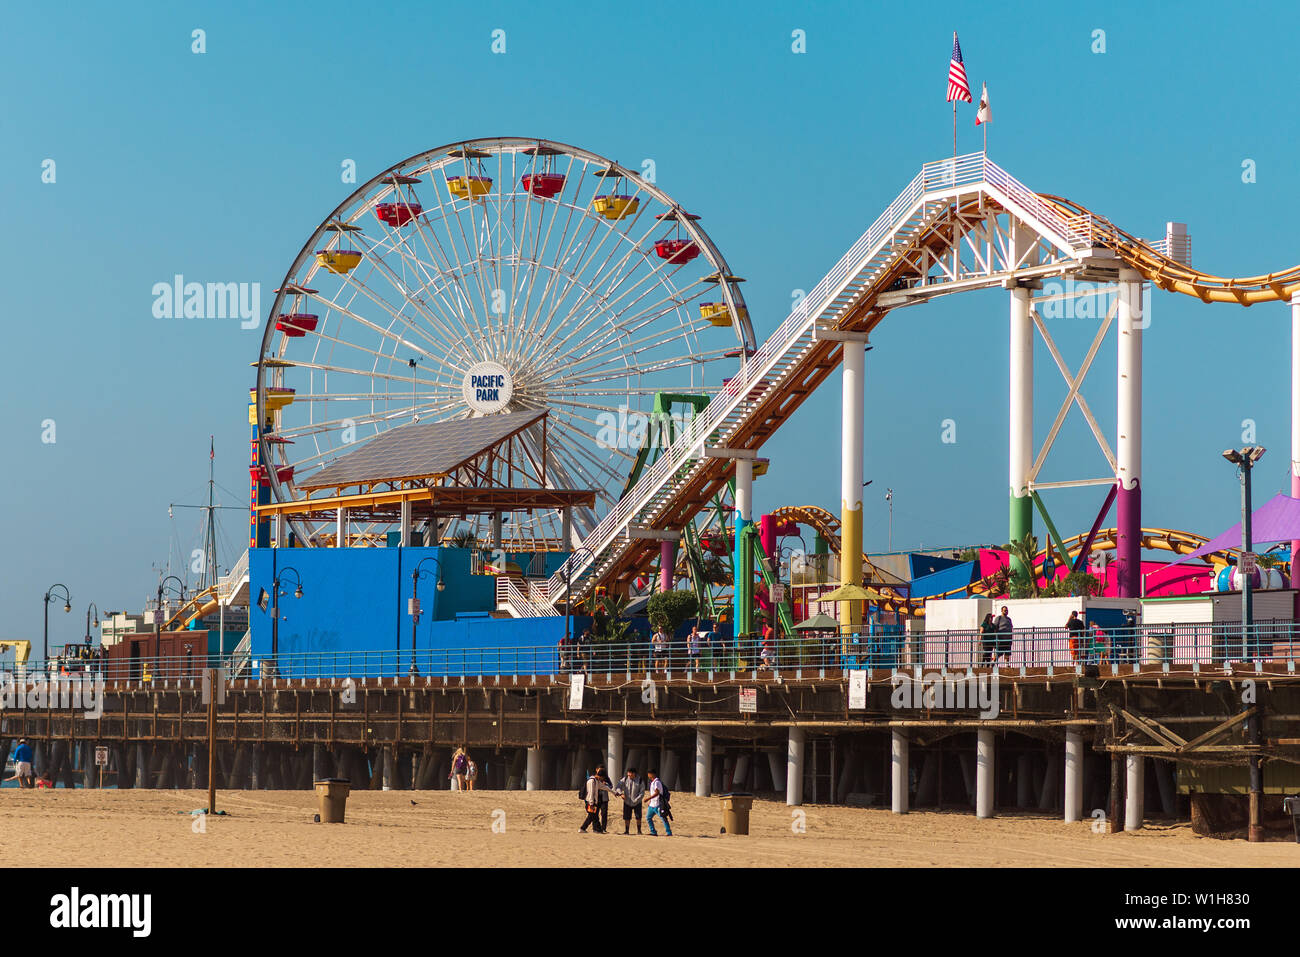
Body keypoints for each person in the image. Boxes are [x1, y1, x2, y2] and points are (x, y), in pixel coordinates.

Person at [580, 768, 613, 833]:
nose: (603, 779)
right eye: (603, 778)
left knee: (593, 816)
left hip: (593, 802)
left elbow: (605, 787)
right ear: (601, 776)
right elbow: (591, 793)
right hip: (590, 802)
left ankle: (596, 829)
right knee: (593, 816)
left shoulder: (596, 781)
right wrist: (591, 803)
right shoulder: (592, 781)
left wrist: (614, 793)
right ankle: (583, 828)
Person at [614, 766, 645, 834]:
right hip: (627, 801)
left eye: (630, 773)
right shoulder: (625, 779)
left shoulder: (640, 780)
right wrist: (621, 794)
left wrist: (636, 800)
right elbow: (618, 786)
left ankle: (639, 831)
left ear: (634, 773)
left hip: (637, 802)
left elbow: (642, 793)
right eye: (628, 773)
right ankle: (627, 830)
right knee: (626, 817)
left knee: (638, 817)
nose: (629, 775)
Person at [645, 768, 672, 836]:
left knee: (663, 818)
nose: (648, 775)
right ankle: (653, 831)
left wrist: (648, 798)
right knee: (648, 817)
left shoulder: (657, 782)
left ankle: (669, 832)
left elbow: (657, 793)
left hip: (658, 804)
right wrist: (650, 801)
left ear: (652, 774)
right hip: (652, 804)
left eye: (649, 774)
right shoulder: (652, 782)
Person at [594, 764, 613, 832]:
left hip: (604, 798)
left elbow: (611, 786)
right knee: (595, 813)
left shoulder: (606, 778)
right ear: (596, 770)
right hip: (596, 797)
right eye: (600, 769)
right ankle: (595, 828)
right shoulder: (594, 778)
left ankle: (603, 828)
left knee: (604, 814)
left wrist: (606, 784)